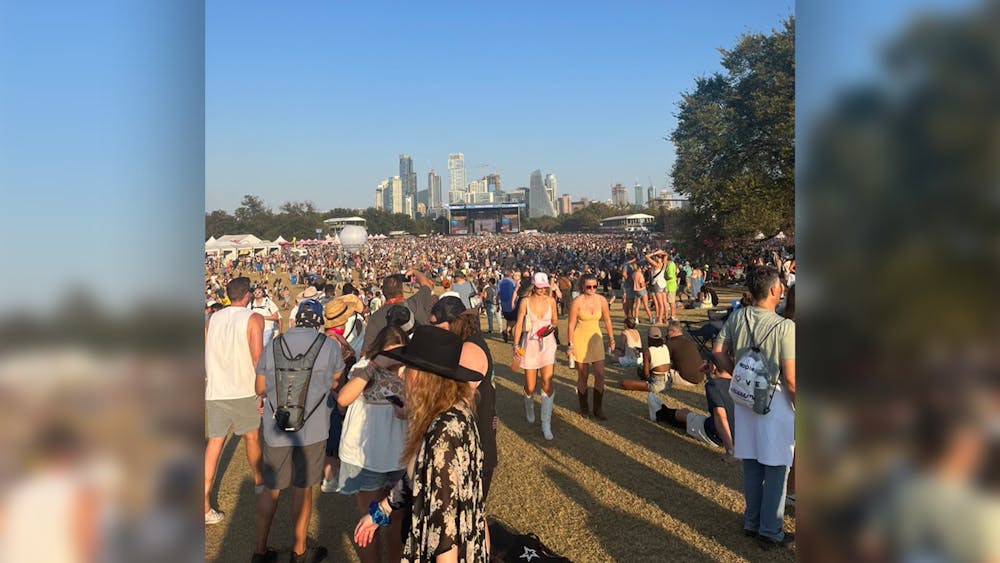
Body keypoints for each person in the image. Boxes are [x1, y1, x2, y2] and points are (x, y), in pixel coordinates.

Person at [353, 326, 487, 562]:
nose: (403, 374)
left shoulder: (443, 434)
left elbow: (446, 536)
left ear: (427, 378)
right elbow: (420, 477)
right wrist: (379, 513)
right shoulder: (451, 412)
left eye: (409, 368)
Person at [252, 300, 345, 563]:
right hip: (313, 429)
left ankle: (259, 550)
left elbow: (259, 387)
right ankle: (299, 551)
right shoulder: (328, 346)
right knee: (302, 489)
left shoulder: (274, 344)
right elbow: (338, 380)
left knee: (271, 488)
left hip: (275, 427)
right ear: (319, 322)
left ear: (294, 320)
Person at [713, 265, 796, 549]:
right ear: (775, 290)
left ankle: (752, 521)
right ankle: (770, 530)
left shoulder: (738, 316)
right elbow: (792, 380)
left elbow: (717, 351)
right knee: (776, 468)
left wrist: (735, 370)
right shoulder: (786, 328)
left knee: (752, 463)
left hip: (745, 397)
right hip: (775, 400)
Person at [335, 325, 409, 563]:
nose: (395, 359)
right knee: (370, 521)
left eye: (400, 353)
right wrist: (376, 364)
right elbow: (344, 399)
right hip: (366, 457)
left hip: (400, 456)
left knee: (397, 519)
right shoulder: (363, 367)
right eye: (391, 353)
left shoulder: (411, 371)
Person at [204, 276, 265, 525]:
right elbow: (257, 358)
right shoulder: (254, 318)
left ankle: (203, 506)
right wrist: (263, 392)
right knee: (252, 437)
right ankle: (260, 482)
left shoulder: (213, 318)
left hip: (217, 389)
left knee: (214, 444)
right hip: (243, 388)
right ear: (248, 295)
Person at [429, 296, 498, 501]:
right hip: (466, 442)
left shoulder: (470, 349)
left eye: (435, 324)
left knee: (469, 513)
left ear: (452, 322)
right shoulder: (462, 343)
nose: (432, 329)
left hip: (471, 444)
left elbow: (459, 400)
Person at [512, 272, 559, 440]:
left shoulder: (551, 300)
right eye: (539, 287)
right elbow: (518, 324)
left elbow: (555, 320)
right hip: (530, 345)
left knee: (547, 382)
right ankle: (529, 405)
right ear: (533, 286)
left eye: (544, 287)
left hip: (547, 344)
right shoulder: (525, 301)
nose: (542, 290)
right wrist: (516, 345)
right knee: (530, 386)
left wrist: (549, 328)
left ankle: (546, 423)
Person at [568, 273, 614, 420]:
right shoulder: (577, 301)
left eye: (595, 286)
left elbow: (607, 320)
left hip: (596, 339)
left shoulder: (601, 300)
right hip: (580, 338)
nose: (592, 289)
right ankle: (584, 407)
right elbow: (570, 325)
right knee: (583, 375)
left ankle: (598, 408)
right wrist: (571, 344)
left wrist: (612, 338)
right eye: (589, 286)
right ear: (582, 286)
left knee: (600, 374)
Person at [362, 269, 434, 352]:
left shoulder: (375, 318)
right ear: (402, 291)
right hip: (423, 357)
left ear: (383, 292)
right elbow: (427, 284)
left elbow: (365, 352)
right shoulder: (416, 302)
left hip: (392, 362)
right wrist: (414, 271)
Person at [645, 249, 669, 325]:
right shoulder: (664, 264)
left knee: (660, 304)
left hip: (657, 284)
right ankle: (666, 318)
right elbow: (666, 255)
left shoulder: (656, 265)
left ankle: (660, 320)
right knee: (665, 302)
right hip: (663, 283)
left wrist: (655, 252)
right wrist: (661, 252)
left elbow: (646, 256)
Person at [497, 270, 518, 343]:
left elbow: (498, 293)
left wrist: (497, 304)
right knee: (516, 319)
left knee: (508, 319)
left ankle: (509, 334)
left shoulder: (500, 282)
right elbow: (516, 291)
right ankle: (507, 331)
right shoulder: (512, 282)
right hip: (512, 303)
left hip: (503, 303)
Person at [664, 253, 679, 321]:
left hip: (670, 285)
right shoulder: (672, 264)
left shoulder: (670, 265)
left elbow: (670, 276)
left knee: (671, 302)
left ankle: (673, 316)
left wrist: (664, 277)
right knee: (671, 301)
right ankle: (673, 315)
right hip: (672, 285)